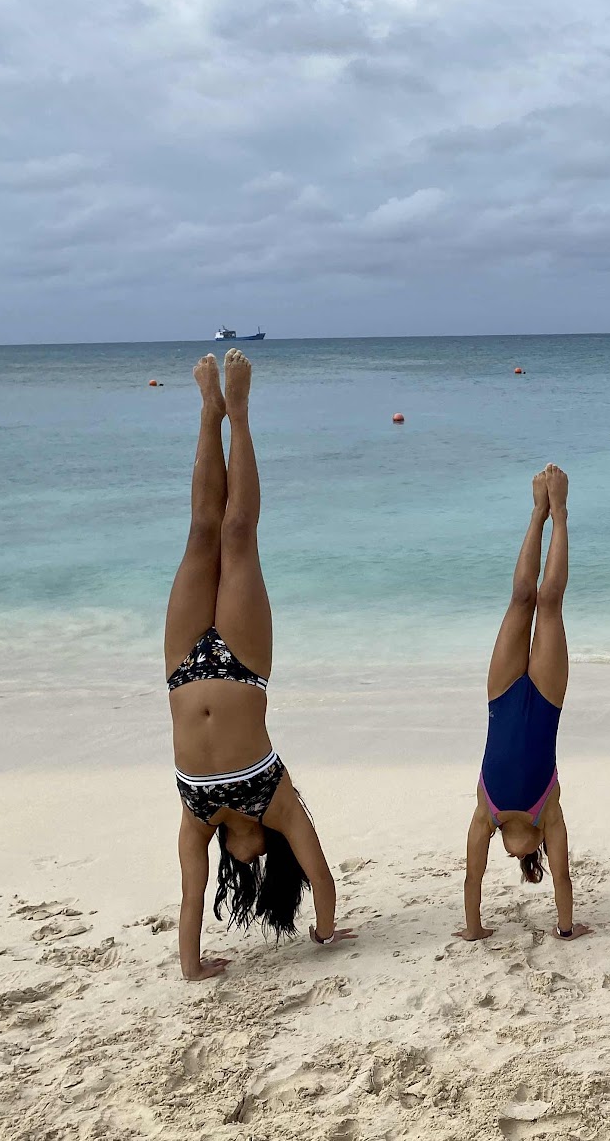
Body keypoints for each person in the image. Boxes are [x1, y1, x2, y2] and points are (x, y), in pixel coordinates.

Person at [166, 350, 355, 981]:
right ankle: (239, 412)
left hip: (181, 668)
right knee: (238, 532)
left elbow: (191, 901)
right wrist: (325, 932)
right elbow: (323, 881)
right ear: (270, 857)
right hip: (243, 665)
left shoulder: (198, 823)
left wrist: (192, 967)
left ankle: (208, 411)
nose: (244, 861)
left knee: (202, 530)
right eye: (258, 864)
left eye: (237, 865)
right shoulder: (278, 804)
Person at [456, 465, 592, 942]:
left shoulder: (486, 814)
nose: (512, 852)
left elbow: (472, 879)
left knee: (520, 598)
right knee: (548, 601)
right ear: (532, 850)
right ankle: (561, 512)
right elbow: (563, 878)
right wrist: (566, 928)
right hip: (546, 699)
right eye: (520, 855)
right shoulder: (546, 814)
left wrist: (474, 929)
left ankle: (538, 512)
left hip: (502, 694)